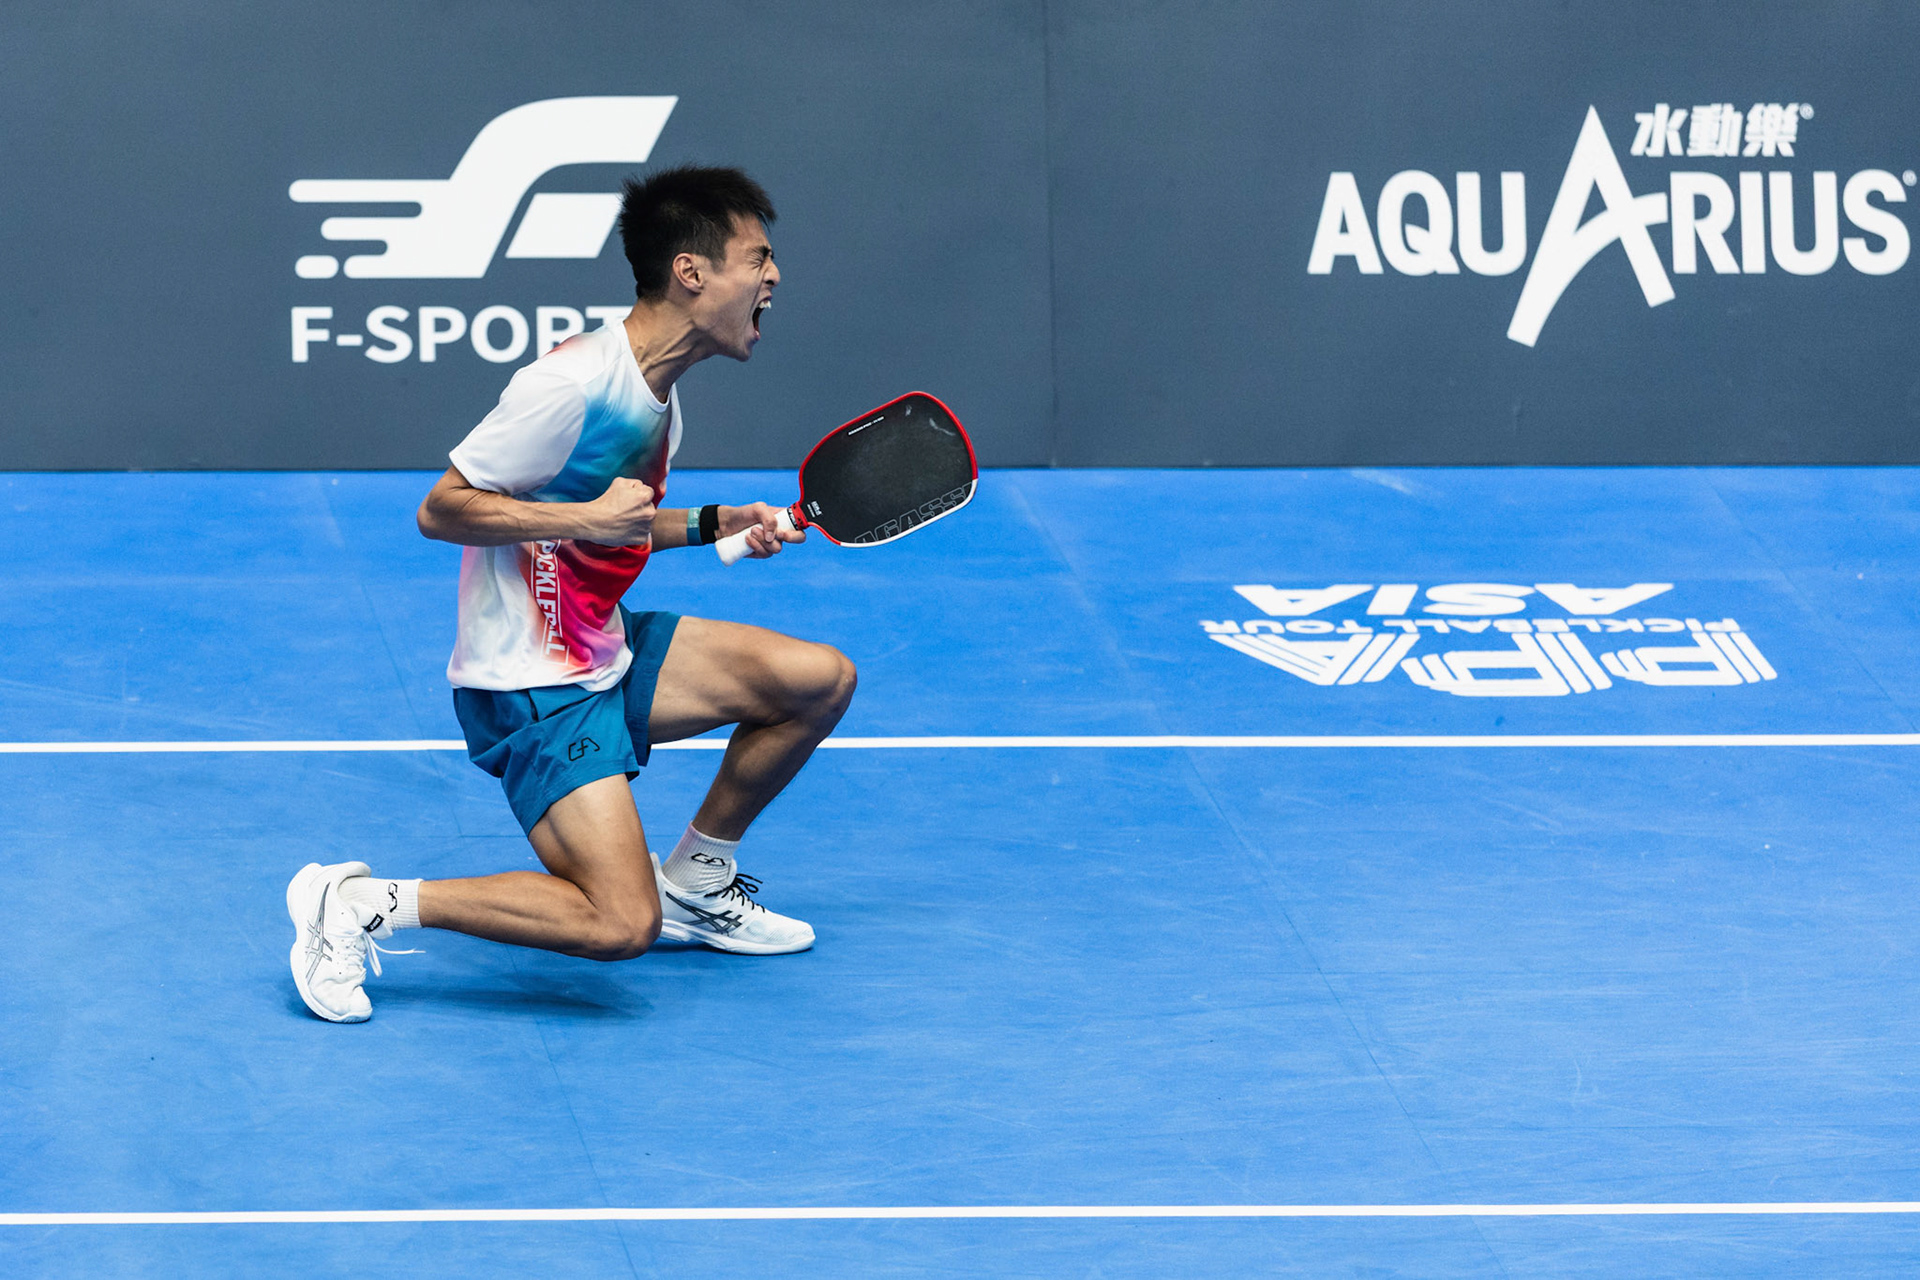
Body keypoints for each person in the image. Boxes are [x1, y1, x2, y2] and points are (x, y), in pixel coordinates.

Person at [287, 166, 855, 1023]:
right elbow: (442, 509)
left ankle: (700, 879)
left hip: (598, 646)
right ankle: (360, 904)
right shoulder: (572, 383)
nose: (773, 277)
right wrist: (586, 518)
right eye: (758, 258)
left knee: (819, 679)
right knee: (622, 923)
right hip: (530, 683)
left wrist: (716, 523)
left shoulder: (659, 400)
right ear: (691, 272)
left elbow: (617, 524)